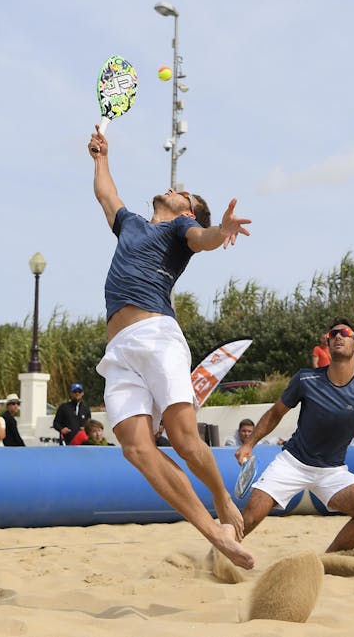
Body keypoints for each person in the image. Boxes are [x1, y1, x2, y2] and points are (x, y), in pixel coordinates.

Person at [89, 124, 254, 569]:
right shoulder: (133, 225)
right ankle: (214, 533)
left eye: (182, 191)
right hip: (119, 352)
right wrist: (101, 156)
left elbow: (204, 239)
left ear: (189, 210)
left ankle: (222, 499)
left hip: (157, 337)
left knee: (183, 438)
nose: (172, 189)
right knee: (137, 449)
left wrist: (220, 230)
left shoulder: (182, 227)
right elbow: (107, 194)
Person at [235, 318, 354, 553]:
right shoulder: (306, 379)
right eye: (333, 334)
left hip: (332, 471)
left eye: (344, 333)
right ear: (327, 342)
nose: (337, 336)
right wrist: (249, 444)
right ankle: (217, 557)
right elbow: (275, 413)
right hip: (292, 463)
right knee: (251, 516)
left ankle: (328, 560)